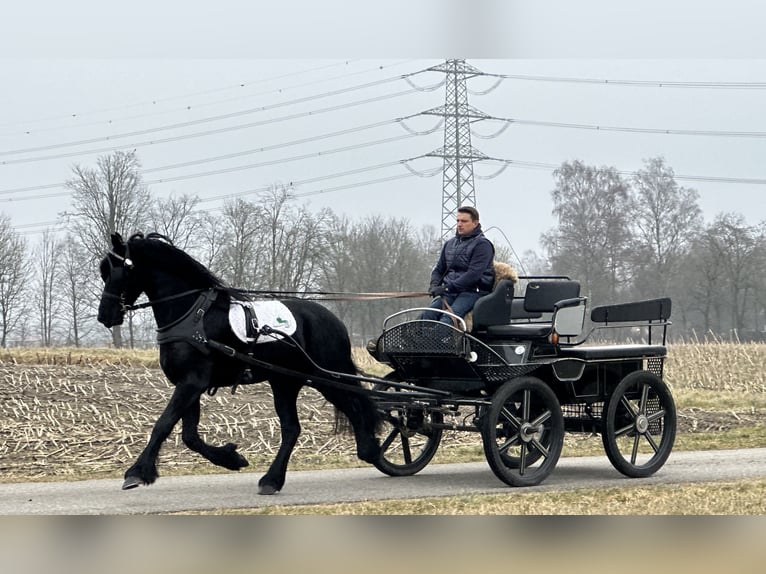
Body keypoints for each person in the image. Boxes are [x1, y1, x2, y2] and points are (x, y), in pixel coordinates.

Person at [421, 205, 495, 324]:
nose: (459, 224)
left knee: (448, 320)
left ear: (475, 223)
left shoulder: (483, 246)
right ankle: (417, 342)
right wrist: (434, 284)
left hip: (473, 292)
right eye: (458, 221)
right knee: (427, 315)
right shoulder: (449, 244)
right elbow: (439, 269)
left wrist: (446, 288)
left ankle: (441, 342)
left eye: (464, 221)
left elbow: (473, 275)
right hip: (450, 292)